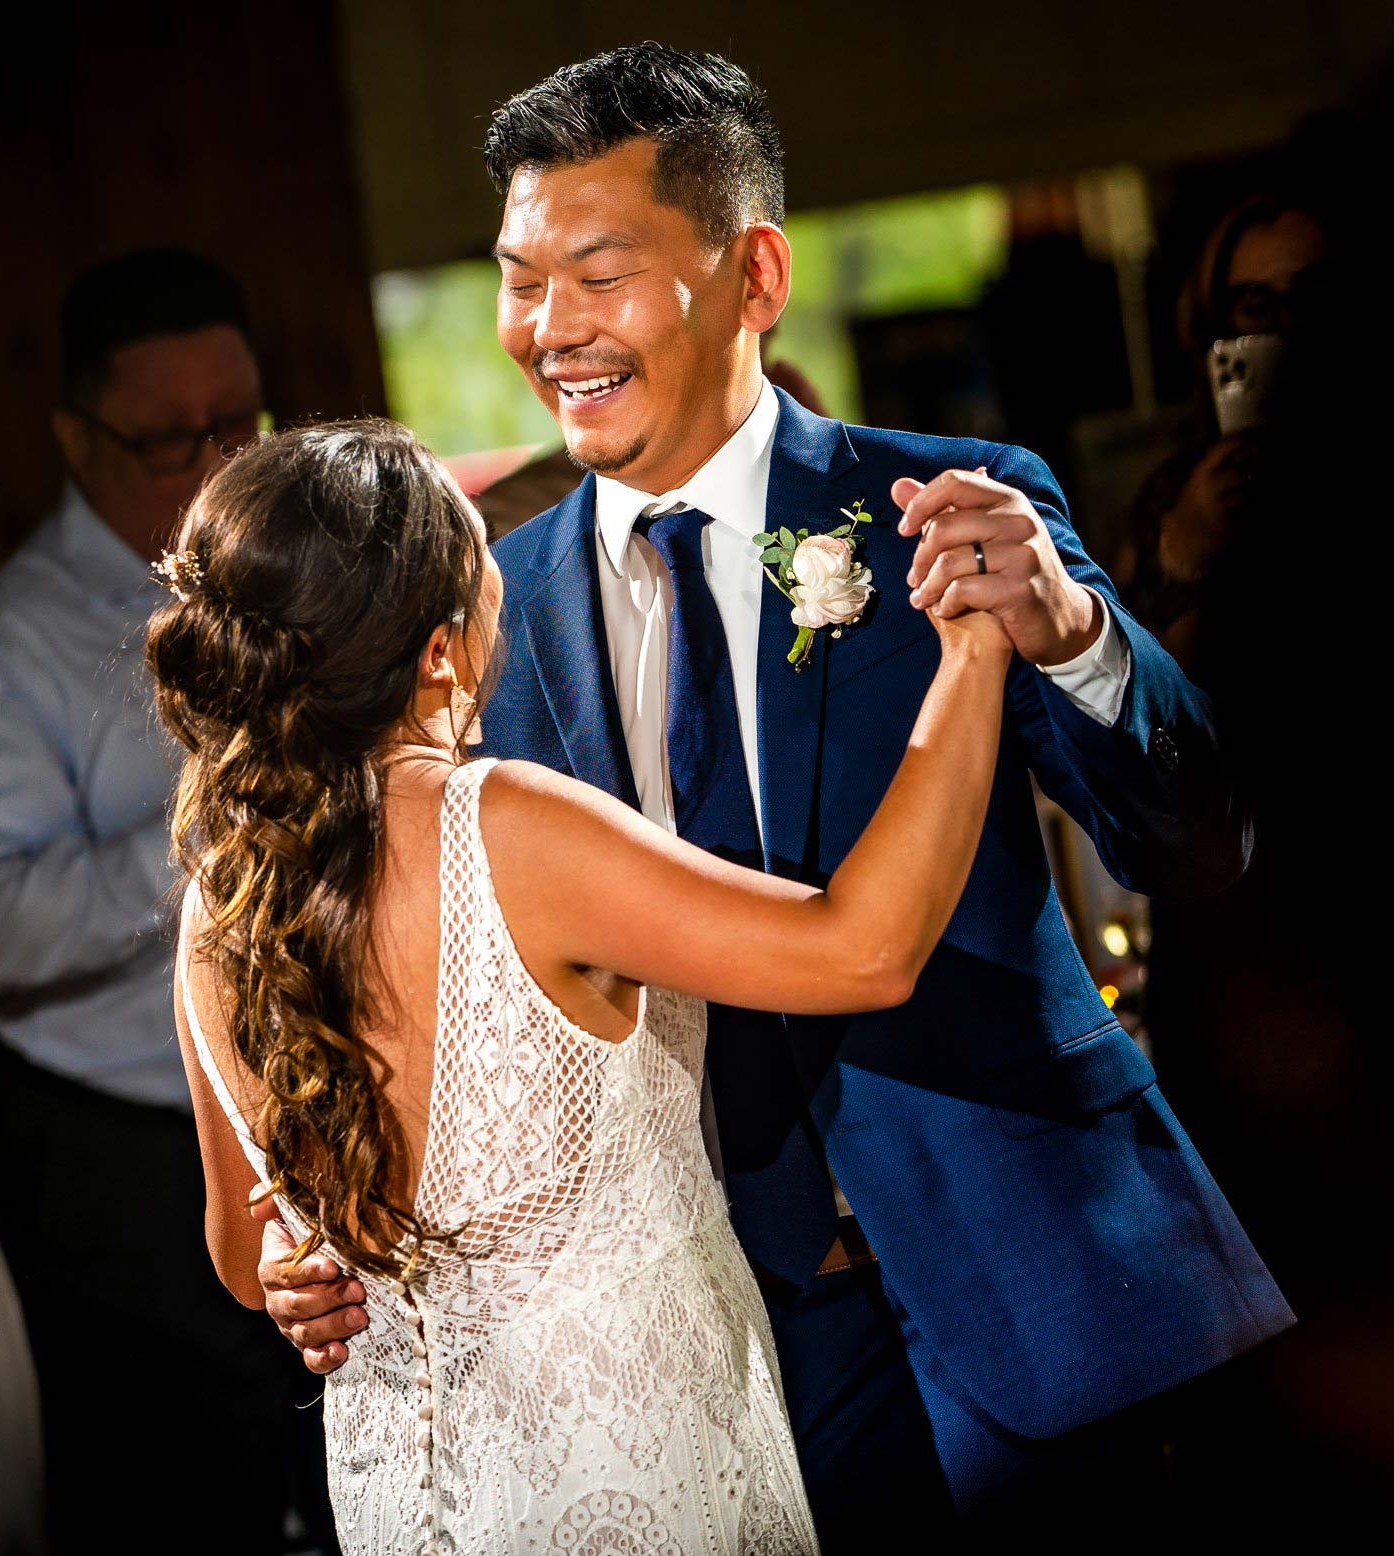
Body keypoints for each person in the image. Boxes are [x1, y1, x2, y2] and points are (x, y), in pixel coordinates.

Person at [257, 45, 1292, 1544]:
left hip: (1033, 1266)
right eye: (518, 279)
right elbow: (438, 972)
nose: (548, 331)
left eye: (595, 275)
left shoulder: (947, 501)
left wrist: (1075, 637)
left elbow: (1201, 846)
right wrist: (330, 1229)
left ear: (753, 276)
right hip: (715, 1346)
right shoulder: (485, 609)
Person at [150, 416, 1013, 1554]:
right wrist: (974, 655)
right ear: (441, 651)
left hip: (412, 1501)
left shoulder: (219, 907)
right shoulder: (505, 829)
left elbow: (239, 1255)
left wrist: (290, 1259)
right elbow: (863, 950)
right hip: (634, 1464)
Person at [0, 249, 314, 1551]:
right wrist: (208, 834)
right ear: (78, 437)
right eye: (168, 440)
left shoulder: (301, 568)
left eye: (238, 425)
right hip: (126, 1170)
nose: (216, 464)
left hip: (329, 1114)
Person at [1115, 192, 1331, 662]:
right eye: (1255, 304)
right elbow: (1145, 706)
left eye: (1314, 293)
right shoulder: (1178, 496)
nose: (1286, 325)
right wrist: (1184, 557)